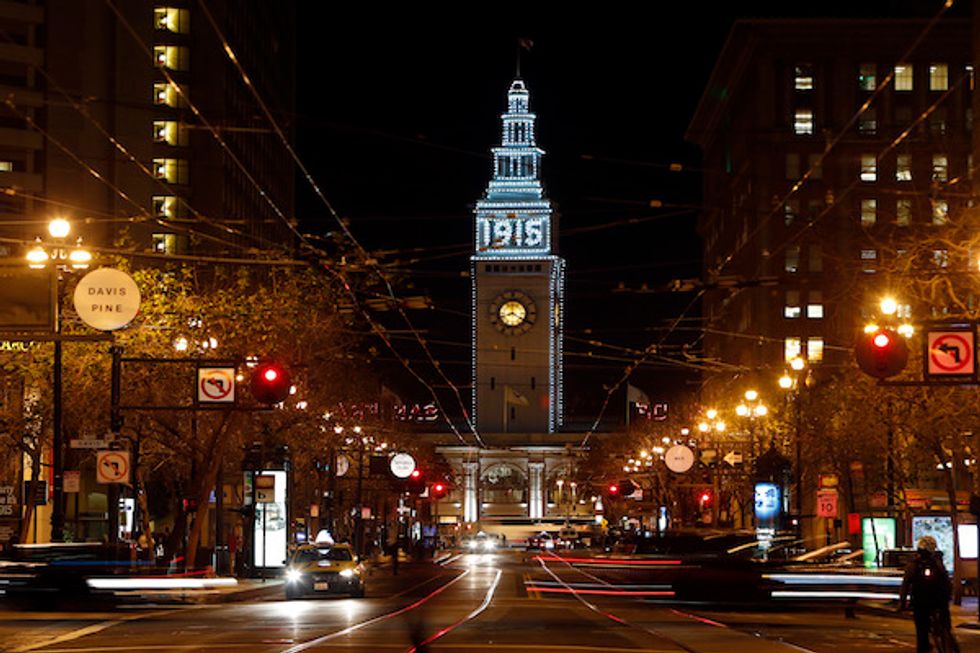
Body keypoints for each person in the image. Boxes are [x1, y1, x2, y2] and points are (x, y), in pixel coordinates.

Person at [900, 536, 957, 653]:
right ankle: (947, 635)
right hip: (939, 600)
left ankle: (924, 647)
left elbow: (905, 584)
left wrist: (902, 603)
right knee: (945, 622)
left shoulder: (914, 564)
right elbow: (947, 581)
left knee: (922, 631)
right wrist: (948, 596)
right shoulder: (938, 562)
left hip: (921, 602)